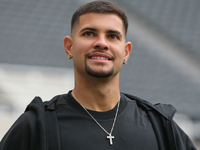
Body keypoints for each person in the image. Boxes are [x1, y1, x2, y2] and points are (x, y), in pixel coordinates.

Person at [0, 1, 197, 150]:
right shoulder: (36, 126)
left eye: (112, 36)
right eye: (89, 34)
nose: (101, 43)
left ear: (126, 52)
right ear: (69, 47)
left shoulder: (160, 126)